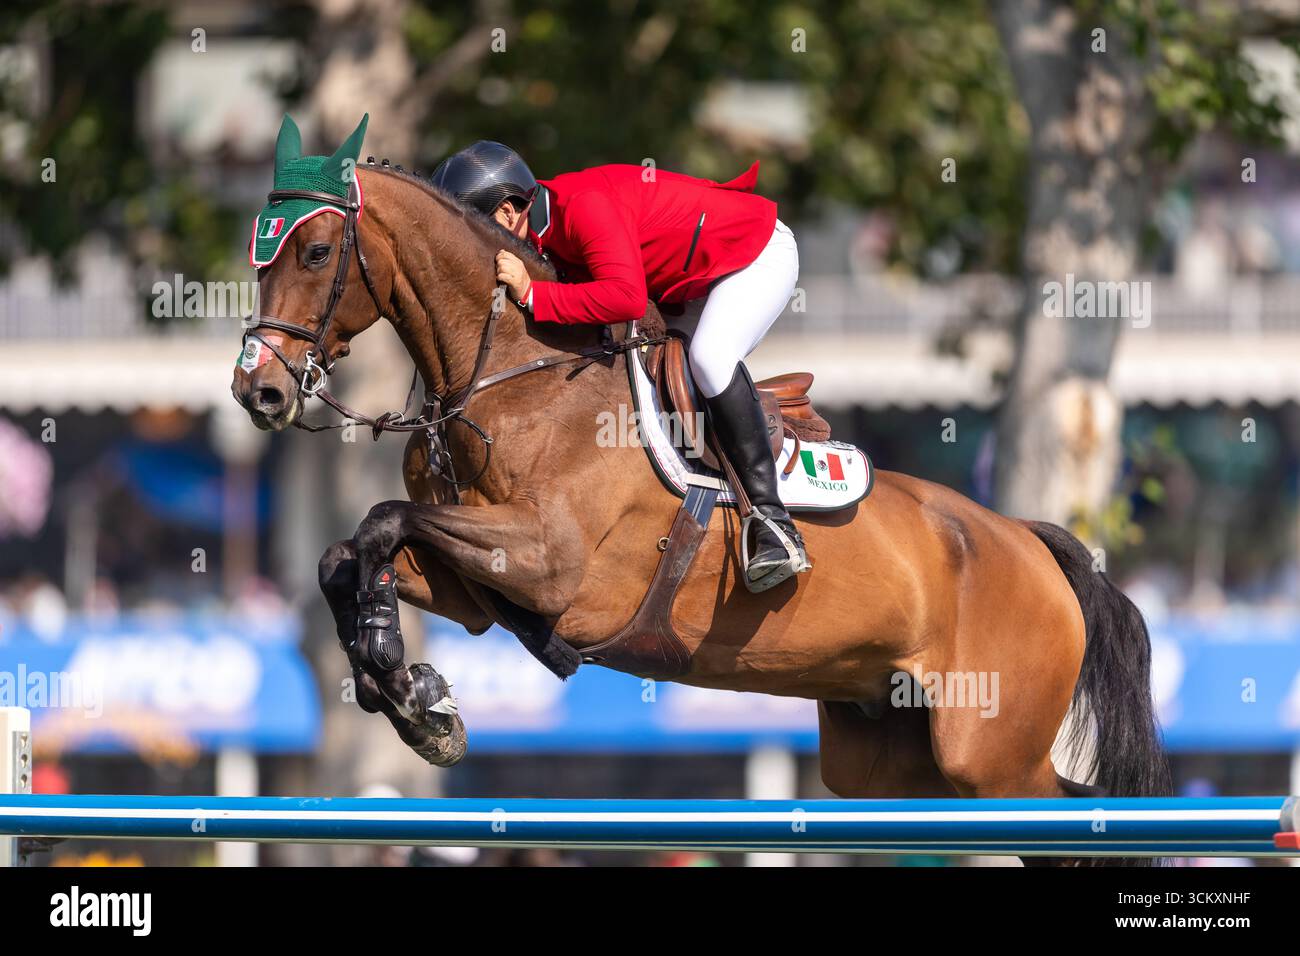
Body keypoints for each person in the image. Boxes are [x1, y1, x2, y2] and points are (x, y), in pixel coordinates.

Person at [430, 142, 807, 592]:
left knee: (709, 359)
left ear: (510, 211)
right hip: (686, 282)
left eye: (477, 225)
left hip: (754, 254)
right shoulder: (541, 231)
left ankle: (774, 522)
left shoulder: (582, 207)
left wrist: (533, 294)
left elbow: (624, 297)